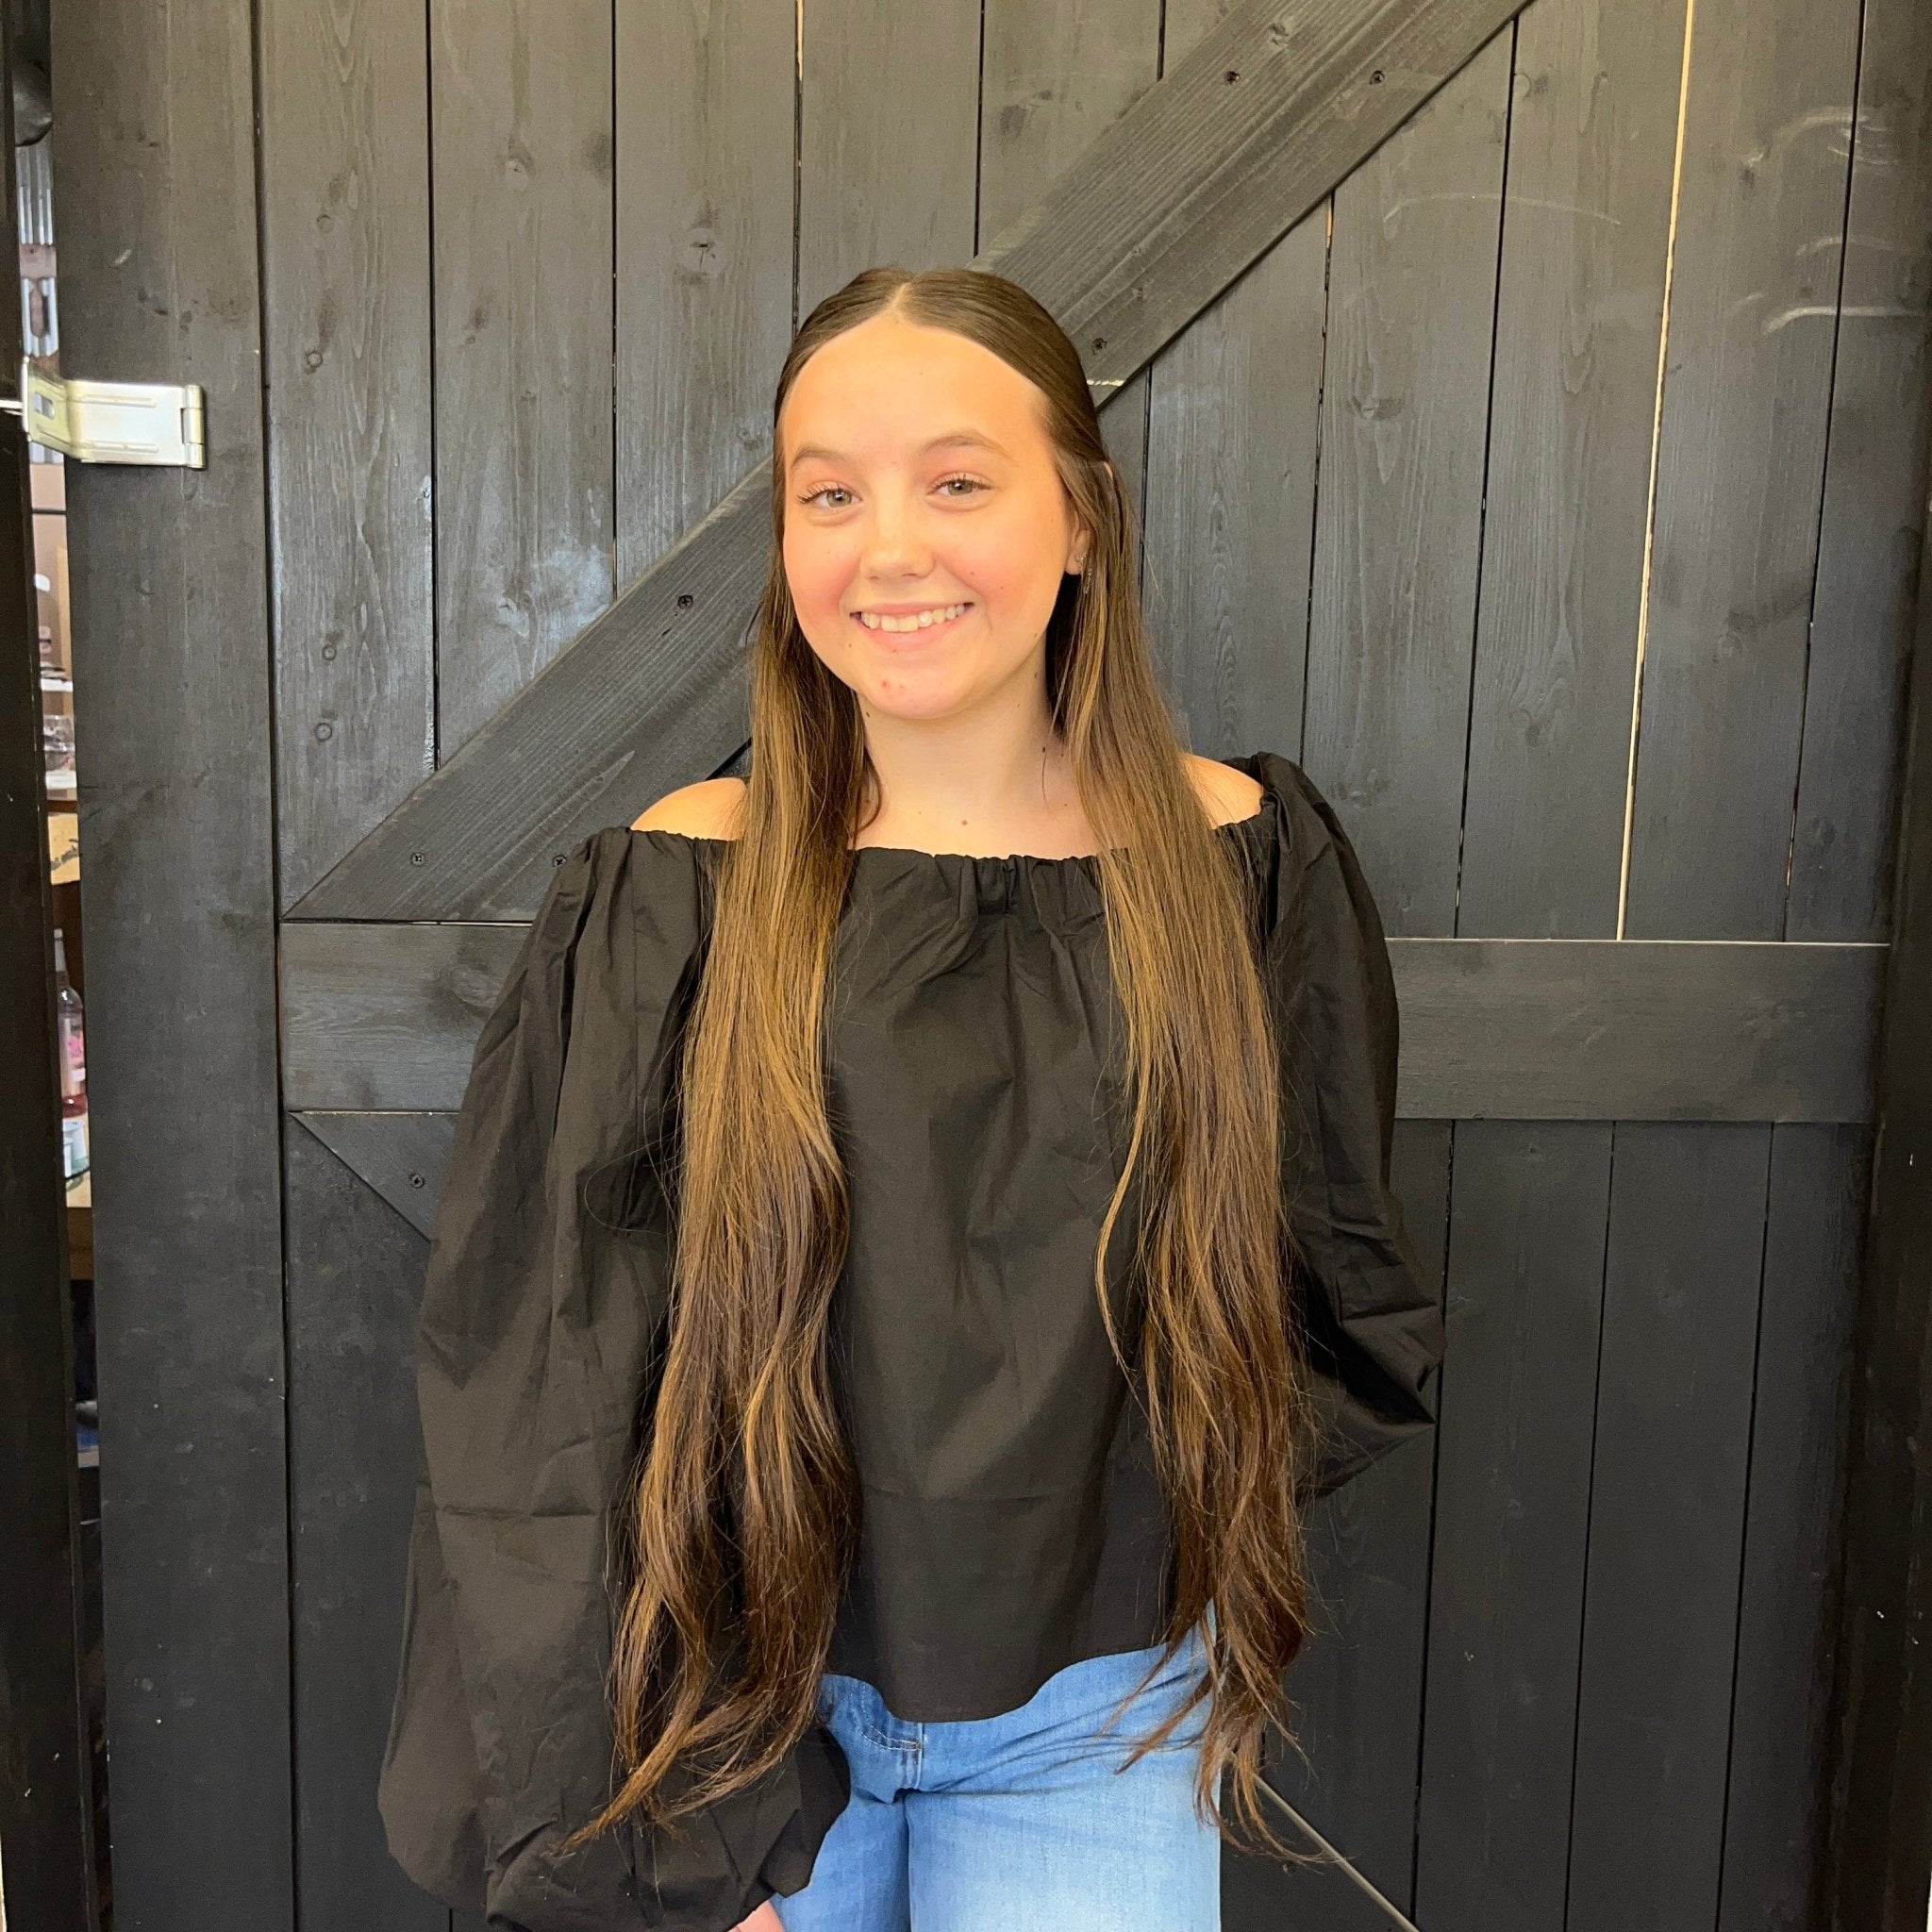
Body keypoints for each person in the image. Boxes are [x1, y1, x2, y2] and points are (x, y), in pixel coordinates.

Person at [375, 265, 1445, 1932]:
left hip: (1098, 1723)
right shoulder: (675, 892)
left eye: (957, 481)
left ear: (1081, 520)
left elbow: (1330, 1286)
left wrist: (1145, 1533)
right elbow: (544, 1396)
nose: (888, 547)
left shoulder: (1245, 868)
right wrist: (641, 1829)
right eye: (829, 495)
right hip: (735, 1723)